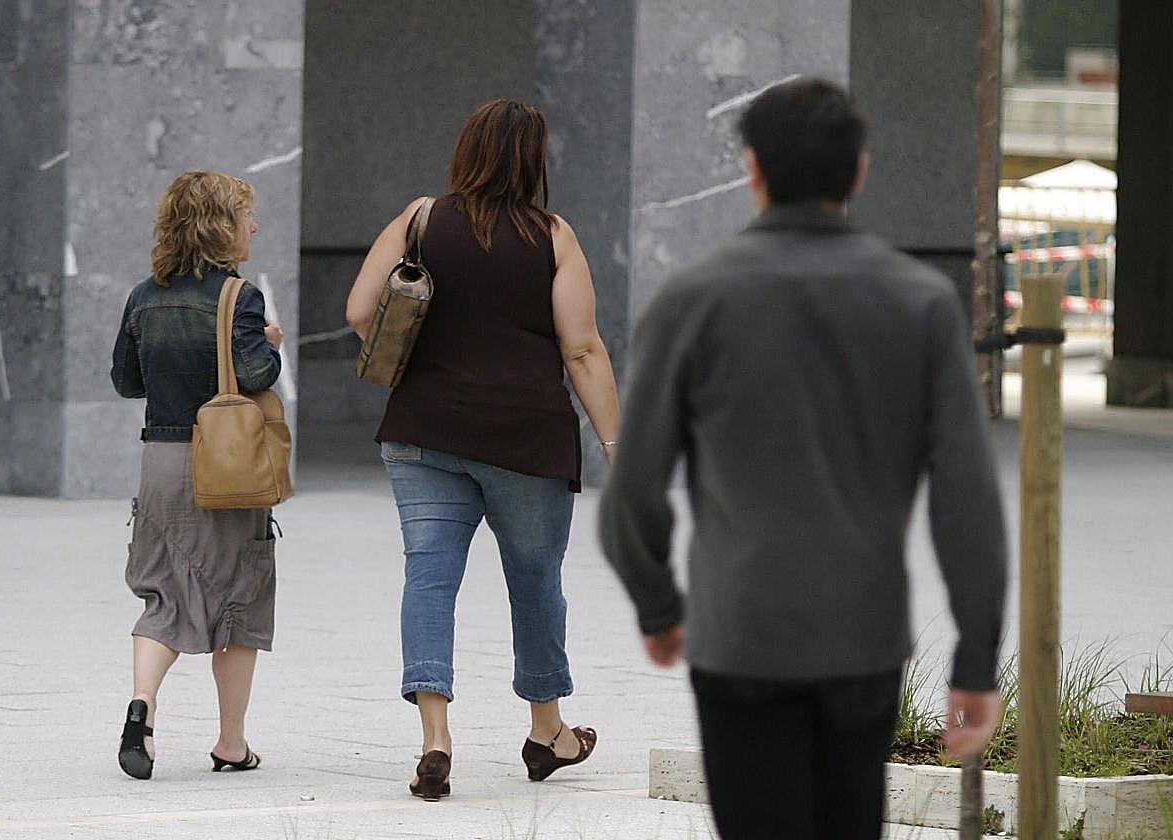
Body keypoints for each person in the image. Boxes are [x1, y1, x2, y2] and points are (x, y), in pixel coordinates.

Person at [597, 78, 1007, 840]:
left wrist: (657, 604)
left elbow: (631, 496)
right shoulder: (920, 304)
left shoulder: (692, 302)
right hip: (863, 635)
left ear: (751, 168)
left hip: (739, 635)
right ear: (859, 171)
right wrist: (977, 656)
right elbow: (967, 500)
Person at [346, 98, 621, 801]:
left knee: (430, 576)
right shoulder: (553, 236)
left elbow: (358, 309)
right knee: (535, 584)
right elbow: (582, 348)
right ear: (533, 161)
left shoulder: (421, 219)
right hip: (525, 439)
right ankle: (547, 732)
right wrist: (618, 437)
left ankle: (436, 741)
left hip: (423, 428)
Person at [110, 170, 284, 780]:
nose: (255, 227)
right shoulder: (240, 296)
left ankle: (142, 708)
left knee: (161, 592)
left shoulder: (142, 296)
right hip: (226, 464)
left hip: (160, 461)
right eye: (245, 216)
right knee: (239, 596)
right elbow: (256, 376)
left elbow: (127, 382)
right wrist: (270, 343)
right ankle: (231, 743)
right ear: (220, 226)